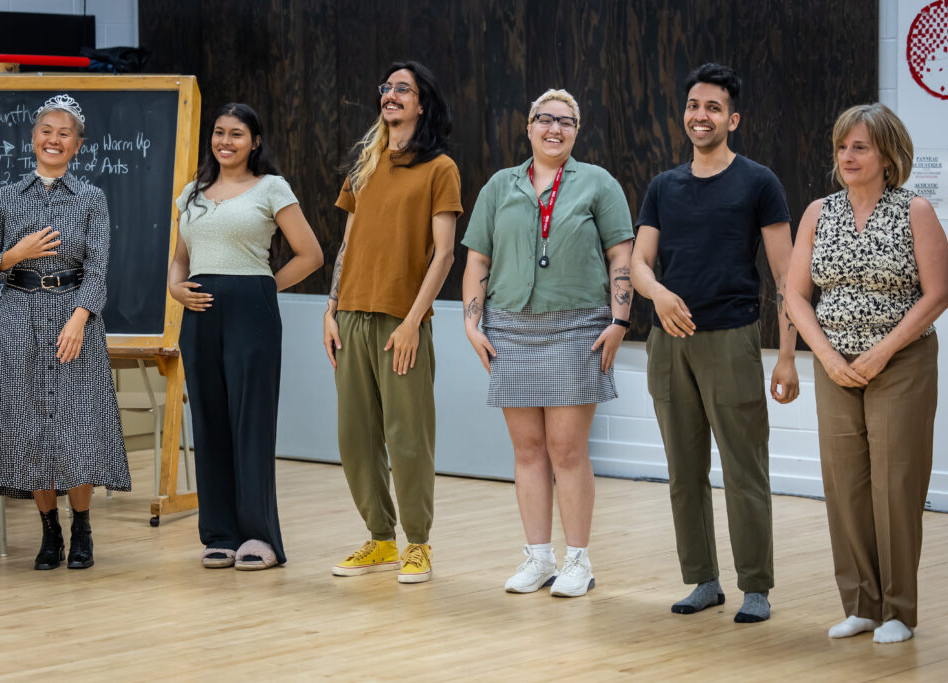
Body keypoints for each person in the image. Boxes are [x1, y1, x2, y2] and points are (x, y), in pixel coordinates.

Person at [630, 63, 799, 622]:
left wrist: (786, 357)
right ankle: (703, 580)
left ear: (733, 119)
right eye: (693, 106)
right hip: (668, 343)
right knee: (684, 472)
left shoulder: (759, 182)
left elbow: (787, 277)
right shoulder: (663, 186)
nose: (700, 116)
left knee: (744, 469)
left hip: (731, 340)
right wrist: (659, 294)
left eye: (712, 108)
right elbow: (639, 263)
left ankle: (756, 587)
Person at [785, 104, 948, 644]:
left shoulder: (914, 210)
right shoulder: (818, 212)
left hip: (902, 362)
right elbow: (795, 295)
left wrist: (882, 352)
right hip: (833, 364)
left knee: (896, 482)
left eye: (860, 147)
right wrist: (827, 357)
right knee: (845, 484)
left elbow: (937, 295)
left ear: (887, 155)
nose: (848, 156)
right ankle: (861, 604)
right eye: (842, 147)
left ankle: (898, 610)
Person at [461, 89, 633, 597]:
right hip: (510, 329)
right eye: (545, 119)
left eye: (566, 121)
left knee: (567, 449)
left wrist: (620, 320)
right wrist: (472, 324)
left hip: (577, 327)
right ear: (529, 126)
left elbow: (621, 256)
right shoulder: (499, 185)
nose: (554, 128)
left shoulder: (598, 183)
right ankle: (539, 558)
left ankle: (578, 560)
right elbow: (477, 260)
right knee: (528, 450)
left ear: (577, 131)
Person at [0, 94, 130, 570]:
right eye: (46, 131)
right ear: (33, 138)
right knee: (30, 428)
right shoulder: (6, 197)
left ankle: (82, 529)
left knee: (78, 426)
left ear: (78, 144)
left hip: (75, 321)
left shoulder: (91, 198)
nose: (54, 140)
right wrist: (17, 254)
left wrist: (79, 318)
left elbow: (98, 270)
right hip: (18, 318)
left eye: (64, 133)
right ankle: (49, 532)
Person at [323, 61, 462, 584]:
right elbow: (347, 244)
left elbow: (444, 255)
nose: (391, 95)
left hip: (402, 321)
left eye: (403, 89)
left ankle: (418, 543)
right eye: (386, 87)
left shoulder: (440, 168)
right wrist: (330, 308)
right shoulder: (365, 164)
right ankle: (380, 540)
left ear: (422, 104)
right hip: (351, 317)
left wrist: (412, 321)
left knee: (407, 439)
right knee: (354, 438)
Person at [169, 103, 322, 571]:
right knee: (209, 421)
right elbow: (180, 258)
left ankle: (259, 536)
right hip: (199, 314)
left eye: (236, 134)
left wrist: (263, 286)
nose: (225, 141)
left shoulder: (272, 188)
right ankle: (219, 534)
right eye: (219, 132)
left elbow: (310, 254)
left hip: (251, 311)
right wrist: (175, 287)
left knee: (250, 421)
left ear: (255, 141)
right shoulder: (192, 193)